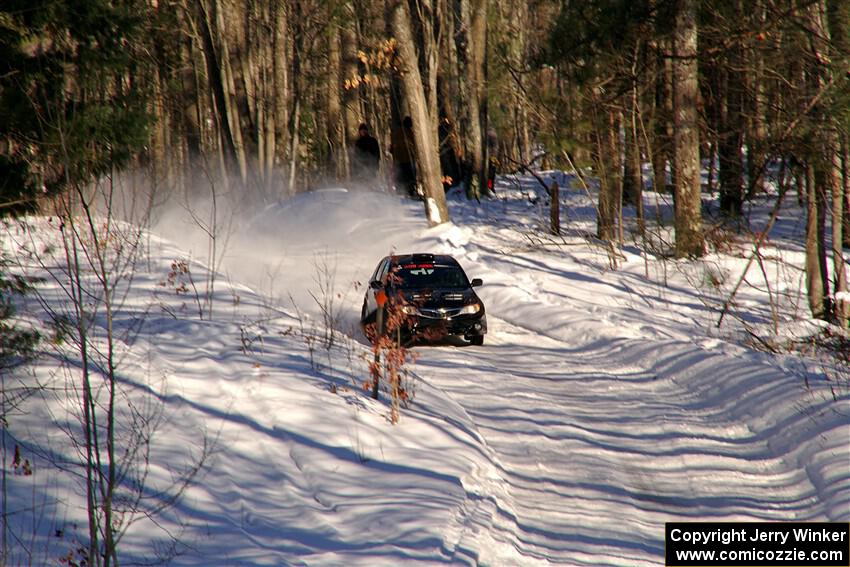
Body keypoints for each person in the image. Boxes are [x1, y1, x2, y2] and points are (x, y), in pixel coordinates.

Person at [390, 116, 417, 197]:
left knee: (400, 176)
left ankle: (400, 191)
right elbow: (413, 144)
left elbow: (391, 147)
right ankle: (410, 191)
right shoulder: (408, 132)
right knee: (409, 176)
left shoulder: (395, 132)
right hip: (407, 159)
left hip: (398, 159)